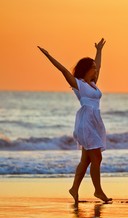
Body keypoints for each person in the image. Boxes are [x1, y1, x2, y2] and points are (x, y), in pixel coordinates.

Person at [38, 38, 112, 204]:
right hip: (85, 124)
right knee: (97, 158)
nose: (95, 70)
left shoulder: (93, 84)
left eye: (95, 67)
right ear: (86, 69)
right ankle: (98, 191)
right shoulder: (78, 84)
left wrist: (99, 50)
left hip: (94, 123)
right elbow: (63, 70)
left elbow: (99, 65)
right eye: (92, 68)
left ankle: (74, 189)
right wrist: (48, 56)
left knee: (86, 160)